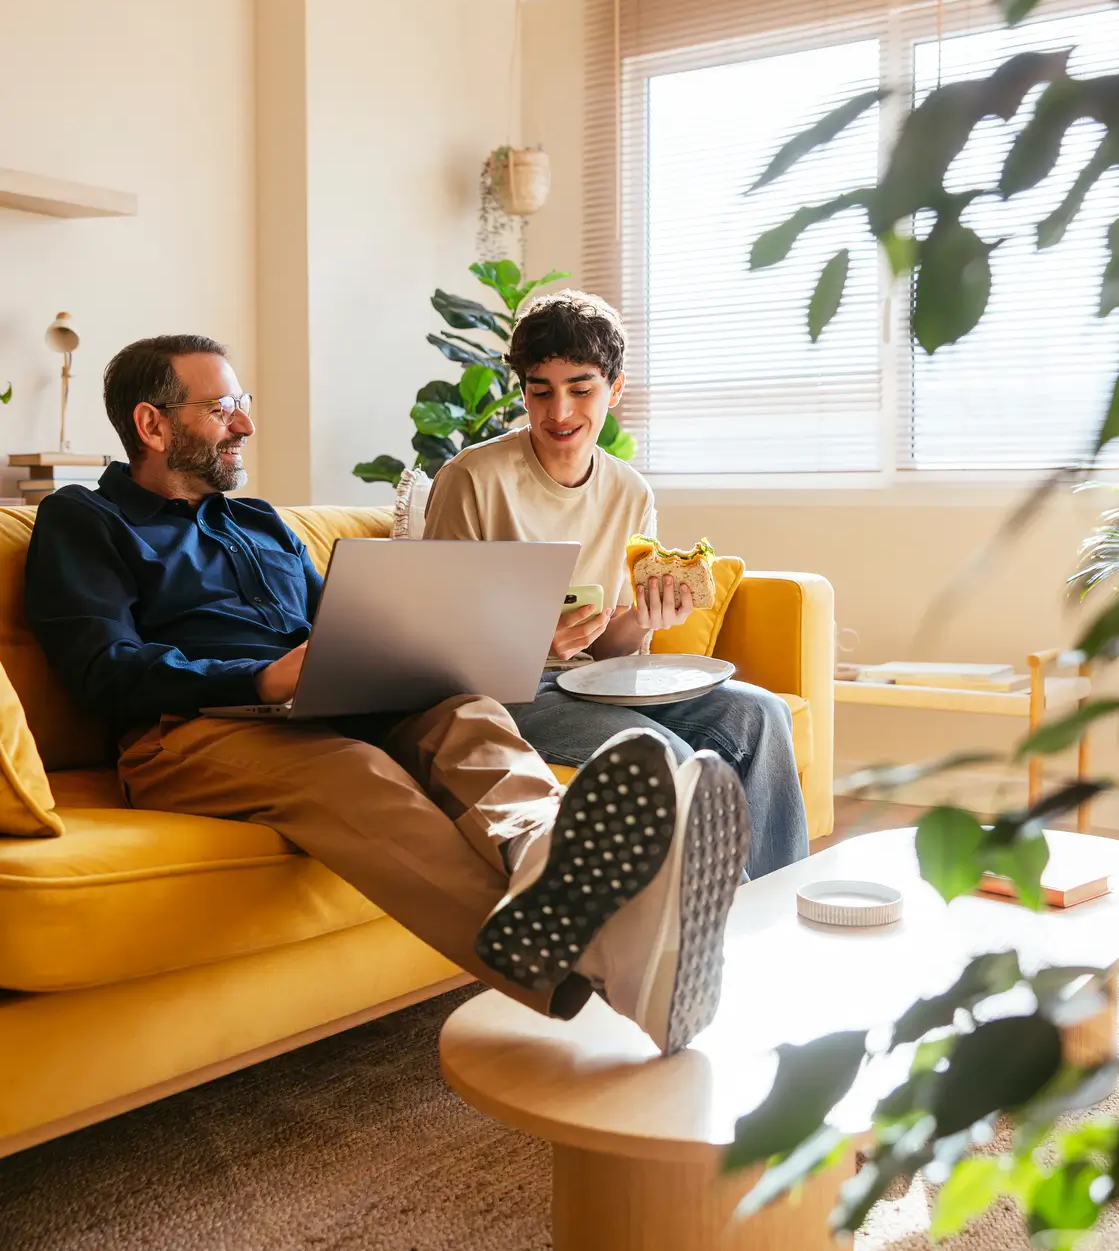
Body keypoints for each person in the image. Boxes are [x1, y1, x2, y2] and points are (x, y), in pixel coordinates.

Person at [23, 334, 750, 1055]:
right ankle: (603, 964)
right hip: (188, 731)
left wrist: (414, 648)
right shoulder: (83, 519)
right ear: (152, 424)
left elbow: (342, 622)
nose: (245, 423)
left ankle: (541, 853)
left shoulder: (259, 522)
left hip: (320, 706)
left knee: (464, 715)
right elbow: (101, 668)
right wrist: (259, 678)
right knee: (356, 772)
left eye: (241, 403)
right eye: (221, 408)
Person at [422, 290, 809, 878]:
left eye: (581, 389)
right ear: (522, 390)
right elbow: (435, 643)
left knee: (761, 715)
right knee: (673, 757)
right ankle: (707, 934)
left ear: (615, 388)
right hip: (504, 696)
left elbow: (612, 650)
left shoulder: (630, 492)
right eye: (540, 391)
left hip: (596, 682)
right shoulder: (472, 478)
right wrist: (531, 645)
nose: (559, 413)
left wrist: (646, 618)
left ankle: (774, 910)